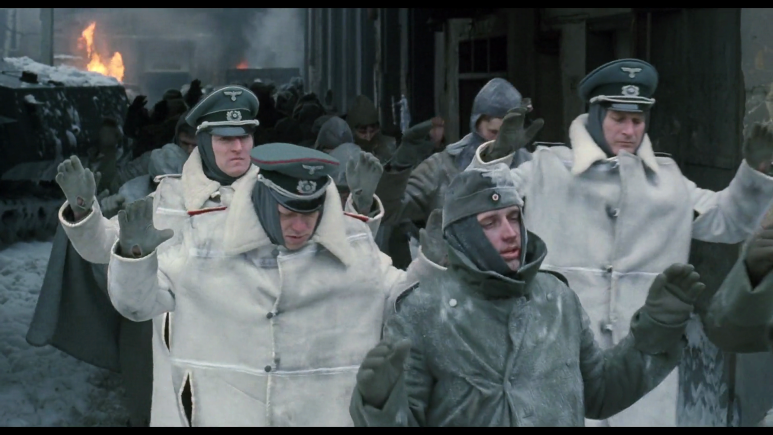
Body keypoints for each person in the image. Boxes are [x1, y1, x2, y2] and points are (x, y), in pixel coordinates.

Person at [468, 58, 773, 426]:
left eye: (638, 120)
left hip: (642, 373)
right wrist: (496, 158)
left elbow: (728, 221)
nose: (629, 130)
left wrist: (755, 174)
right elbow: (475, 207)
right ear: (597, 115)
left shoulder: (668, 183)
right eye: (618, 118)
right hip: (555, 358)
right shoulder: (547, 169)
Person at [350, 165, 707, 427]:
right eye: (490, 223)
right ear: (462, 234)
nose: (510, 233)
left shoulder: (558, 299)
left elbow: (600, 393)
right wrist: (379, 403)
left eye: (513, 217)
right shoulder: (423, 312)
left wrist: (656, 330)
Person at [375, 78, 538, 232]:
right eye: (494, 132)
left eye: (509, 133)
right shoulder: (442, 168)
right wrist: (400, 164)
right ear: (476, 125)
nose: (500, 141)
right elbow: (385, 213)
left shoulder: (533, 170)